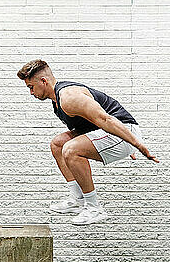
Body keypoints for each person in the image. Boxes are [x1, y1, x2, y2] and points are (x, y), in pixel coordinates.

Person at [17, 59, 159, 226]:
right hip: (112, 133)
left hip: (122, 132)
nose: (31, 93)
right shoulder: (57, 100)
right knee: (58, 144)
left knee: (71, 149)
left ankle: (94, 207)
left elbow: (105, 119)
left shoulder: (69, 97)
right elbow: (91, 124)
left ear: (43, 81)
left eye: (31, 87)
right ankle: (78, 199)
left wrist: (137, 145)